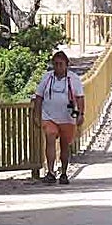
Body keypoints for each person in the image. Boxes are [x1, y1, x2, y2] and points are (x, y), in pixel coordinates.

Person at [32, 50, 85, 185]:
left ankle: (64, 173)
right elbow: (38, 97)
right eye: (55, 64)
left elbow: (80, 98)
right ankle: (50, 172)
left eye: (61, 64)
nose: (58, 67)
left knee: (65, 145)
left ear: (66, 65)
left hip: (67, 118)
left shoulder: (73, 79)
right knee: (50, 137)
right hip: (49, 116)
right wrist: (37, 116)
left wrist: (81, 114)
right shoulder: (47, 78)